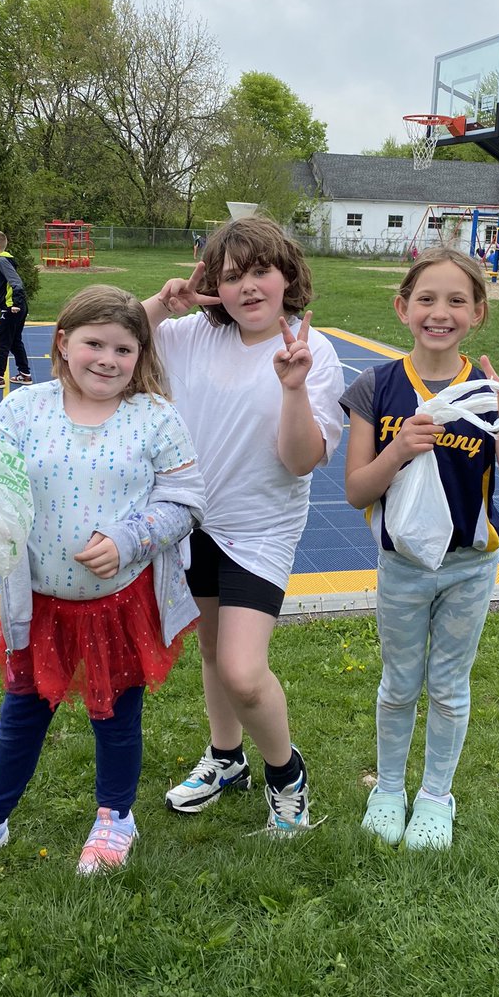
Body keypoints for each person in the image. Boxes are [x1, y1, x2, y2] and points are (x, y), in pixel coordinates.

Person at [0, 285, 206, 879]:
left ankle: (115, 817)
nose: (107, 359)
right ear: (63, 343)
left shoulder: (155, 417)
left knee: (117, 715)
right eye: (94, 343)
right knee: (23, 711)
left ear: (142, 354)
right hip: (39, 602)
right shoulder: (23, 409)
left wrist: (132, 539)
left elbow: (186, 501)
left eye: (124, 349)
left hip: (121, 604)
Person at [144, 215, 345, 835]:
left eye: (261, 271)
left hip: (259, 533)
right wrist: (159, 302)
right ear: (215, 287)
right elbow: (95, 334)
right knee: (209, 649)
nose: (248, 287)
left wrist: (292, 386)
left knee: (243, 670)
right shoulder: (190, 334)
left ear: (288, 275)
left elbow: (302, 459)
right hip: (194, 523)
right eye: (231, 277)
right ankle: (226, 759)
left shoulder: (314, 352)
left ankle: (288, 777)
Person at [341, 246, 499, 850]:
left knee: (450, 686)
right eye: (426, 298)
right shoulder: (374, 386)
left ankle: (435, 794)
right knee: (400, 682)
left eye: (457, 300)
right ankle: (388, 789)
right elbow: (357, 490)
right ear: (402, 307)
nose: (440, 312)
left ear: (479, 312)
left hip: (469, 568)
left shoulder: (489, 393)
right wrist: (398, 449)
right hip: (401, 566)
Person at [0, 230, 33, 389]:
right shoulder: (3, 260)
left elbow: (16, 282)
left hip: (13, 308)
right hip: (16, 307)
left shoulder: (1, 261)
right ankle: (25, 375)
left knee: (2, 342)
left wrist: (16, 304)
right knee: (15, 341)